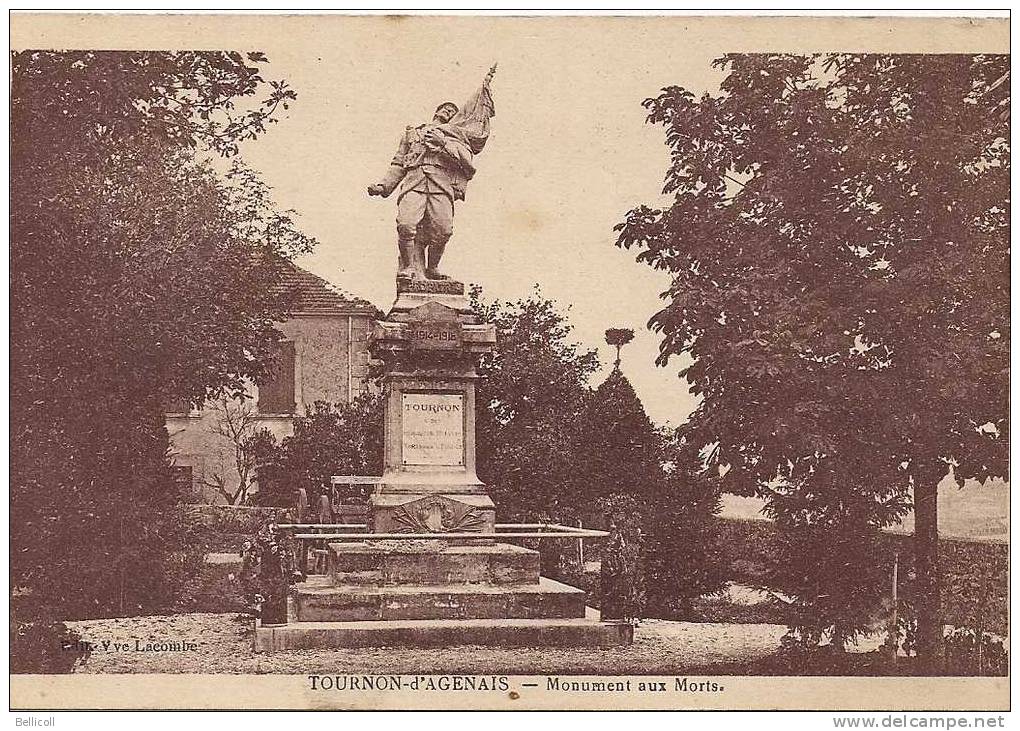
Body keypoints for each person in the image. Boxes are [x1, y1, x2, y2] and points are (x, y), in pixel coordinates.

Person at [368, 65, 497, 282]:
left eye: (452, 111)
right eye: (445, 108)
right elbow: (399, 162)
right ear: (436, 111)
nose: (448, 110)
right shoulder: (413, 133)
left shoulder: (457, 137)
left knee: (444, 231)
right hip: (414, 182)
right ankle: (408, 267)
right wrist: (383, 186)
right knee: (406, 225)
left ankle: (432, 268)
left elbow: (466, 162)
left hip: (441, 185)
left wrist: (443, 142)